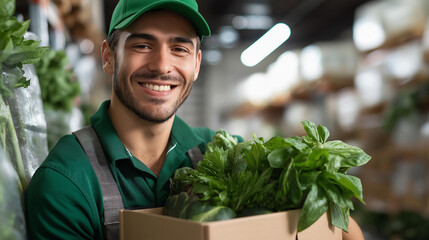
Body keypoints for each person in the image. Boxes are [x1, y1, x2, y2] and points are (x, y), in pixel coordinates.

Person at [24, 0, 364, 239]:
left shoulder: (226, 154)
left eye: (180, 48)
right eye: (143, 45)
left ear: (197, 64)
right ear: (110, 57)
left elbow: (340, 229)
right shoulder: (66, 183)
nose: (162, 65)